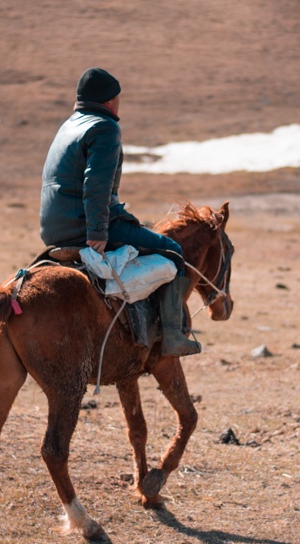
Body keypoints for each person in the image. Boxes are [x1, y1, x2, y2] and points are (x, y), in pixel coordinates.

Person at [40, 67, 201, 357]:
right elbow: (97, 184)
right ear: (110, 100)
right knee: (174, 252)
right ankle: (173, 336)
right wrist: (98, 232)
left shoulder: (69, 126)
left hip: (53, 230)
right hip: (86, 225)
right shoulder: (104, 126)